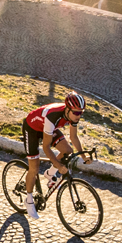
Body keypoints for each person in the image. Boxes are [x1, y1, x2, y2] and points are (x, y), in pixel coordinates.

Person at [20, 91, 91, 219]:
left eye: (81, 112)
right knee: (34, 168)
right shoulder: (53, 116)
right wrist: (59, 166)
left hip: (46, 128)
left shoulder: (72, 116)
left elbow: (73, 137)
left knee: (68, 151)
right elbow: (46, 147)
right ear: (68, 109)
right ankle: (29, 200)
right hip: (32, 128)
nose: (78, 115)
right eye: (76, 112)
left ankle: (49, 173)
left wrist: (84, 156)